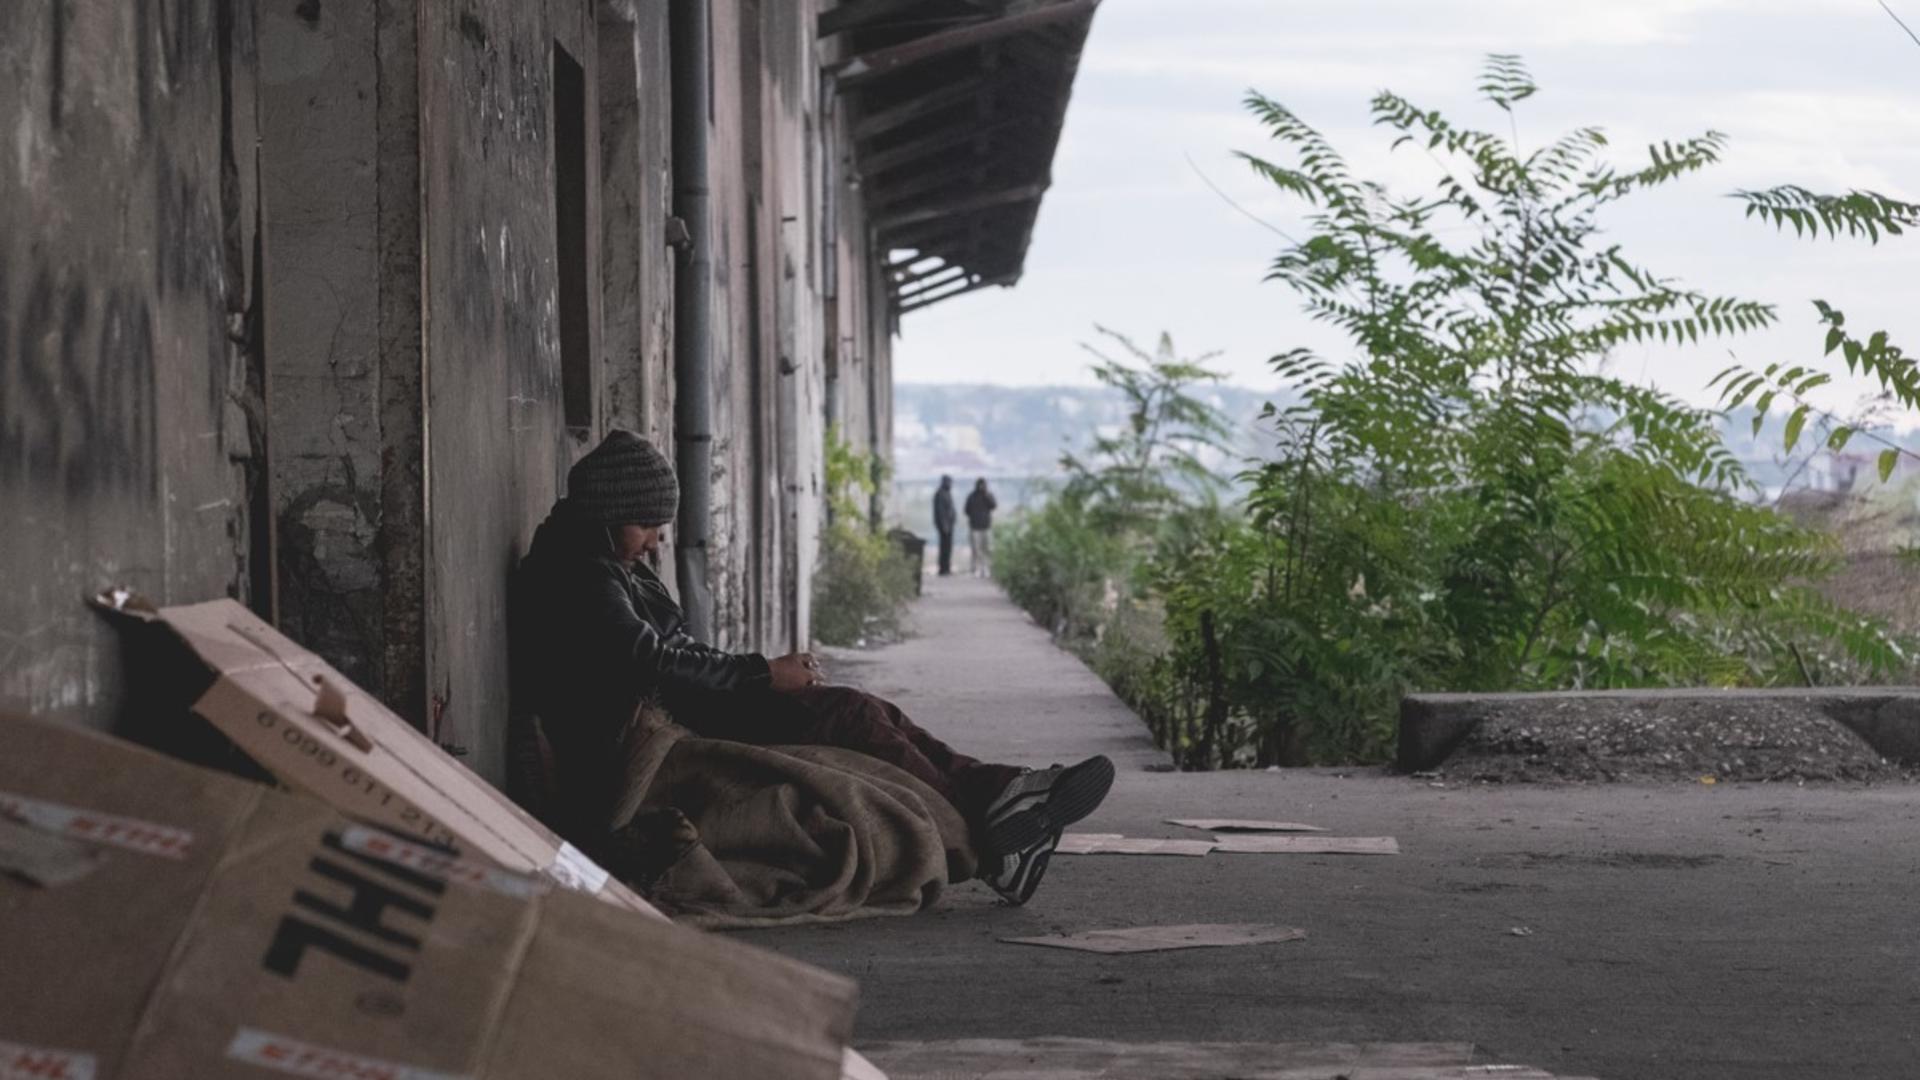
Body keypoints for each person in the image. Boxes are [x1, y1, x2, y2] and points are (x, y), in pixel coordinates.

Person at [517, 430, 1112, 904]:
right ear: (609, 513)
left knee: (871, 711)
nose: (653, 542)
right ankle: (995, 821)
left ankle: (1001, 793)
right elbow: (651, 663)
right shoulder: (581, 574)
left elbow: (672, 650)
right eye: (646, 525)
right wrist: (760, 676)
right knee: (851, 715)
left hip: (690, 703)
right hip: (657, 735)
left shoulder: (605, 562)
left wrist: (761, 671)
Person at [964, 478, 997, 578]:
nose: (981, 487)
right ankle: (976, 569)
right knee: (976, 550)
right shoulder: (971, 496)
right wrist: (974, 516)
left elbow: (993, 505)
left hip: (986, 526)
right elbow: (966, 510)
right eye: (980, 485)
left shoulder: (988, 495)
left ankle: (987, 568)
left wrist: (986, 495)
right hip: (975, 527)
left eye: (983, 485)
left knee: (987, 549)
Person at [932, 475, 957, 576]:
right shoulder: (940, 494)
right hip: (944, 526)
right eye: (949, 482)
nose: (950, 484)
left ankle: (946, 567)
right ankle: (943, 568)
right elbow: (940, 511)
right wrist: (944, 525)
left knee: (948, 547)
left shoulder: (947, 493)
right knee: (944, 548)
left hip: (949, 525)